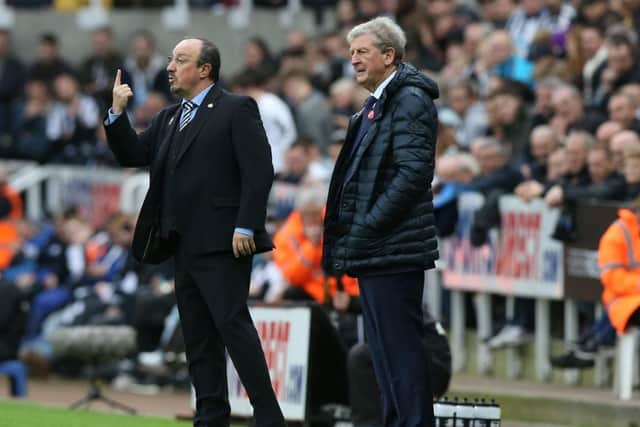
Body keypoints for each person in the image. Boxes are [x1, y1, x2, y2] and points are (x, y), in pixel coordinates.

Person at [104, 37, 284, 427]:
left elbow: (259, 172)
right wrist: (117, 114)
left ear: (205, 69)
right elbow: (133, 155)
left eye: (180, 60)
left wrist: (246, 224)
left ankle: (269, 418)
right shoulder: (169, 117)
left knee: (233, 330)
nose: (170, 66)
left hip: (224, 243)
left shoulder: (236, 108)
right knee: (199, 339)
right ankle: (210, 417)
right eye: (170, 59)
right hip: (180, 245)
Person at [322, 17, 439, 427]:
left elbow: (413, 174)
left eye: (362, 52)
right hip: (376, 248)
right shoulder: (377, 104)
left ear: (389, 56)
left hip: (392, 246)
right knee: (382, 352)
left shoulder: (408, 99)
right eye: (351, 52)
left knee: (400, 351)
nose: (352, 60)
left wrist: (368, 225)